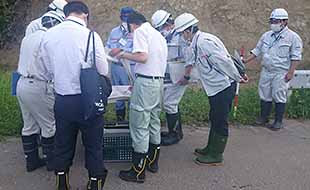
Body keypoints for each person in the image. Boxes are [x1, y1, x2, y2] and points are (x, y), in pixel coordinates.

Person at [40, 1, 109, 189]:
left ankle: (62, 183)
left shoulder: (48, 35)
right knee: (93, 145)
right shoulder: (91, 36)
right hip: (88, 101)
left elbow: (46, 69)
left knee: (62, 144)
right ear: (85, 15)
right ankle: (94, 183)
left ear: (65, 14)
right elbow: (103, 69)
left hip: (62, 100)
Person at [175, 13, 243, 165]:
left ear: (188, 31)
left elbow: (224, 62)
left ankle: (216, 155)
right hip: (215, 87)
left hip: (223, 86)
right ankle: (210, 148)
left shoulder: (204, 42)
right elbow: (191, 60)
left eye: (181, 33)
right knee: (214, 116)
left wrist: (238, 76)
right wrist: (186, 77)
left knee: (220, 120)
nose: (181, 36)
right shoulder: (196, 42)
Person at [115, 11, 168, 183]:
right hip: (157, 82)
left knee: (139, 125)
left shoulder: (140, 31)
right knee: (153, 121)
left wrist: (122, 54)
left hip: (146, 83)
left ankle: (138, 171)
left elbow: (142, 57)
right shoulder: (158, 35)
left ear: (132, 24)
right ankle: (153, 163)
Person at [16, 11, 64, 172]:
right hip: (39, 85)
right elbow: (53, 66)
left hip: (22, 83)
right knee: (49, 125)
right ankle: (52, 162)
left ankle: (32, 161)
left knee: (29, 125)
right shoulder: (48, 40)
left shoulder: (28, 38)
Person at [243, 8, 303, 131]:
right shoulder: (266, 36)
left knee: (279, 95)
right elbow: (257, 50)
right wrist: (245, 60)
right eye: (272, 21)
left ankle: (278, 121)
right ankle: (263, 118)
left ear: (284, 22)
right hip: (266, 70)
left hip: (281, 72)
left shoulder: (293, 38)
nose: (273, 24)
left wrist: (291, 72)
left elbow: (295, 57)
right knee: (264, 94)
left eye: (276, 21)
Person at [151, 10, 190, 146]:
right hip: (170, 74)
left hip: (180, 74)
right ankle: (174, 132)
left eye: (162, 27)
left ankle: (175, 134)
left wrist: (187, 75)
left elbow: (189, 56)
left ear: (167, 24)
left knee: (170, 103)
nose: (161, 30)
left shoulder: (180, 36)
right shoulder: (167, 36)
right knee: (170, 103)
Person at [106, 7, 136, 122]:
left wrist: (120, 49)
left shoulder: (136, 32)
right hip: (116, 66)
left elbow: (136, 50)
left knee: (131, 93)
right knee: (118, 94)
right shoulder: (114, 31)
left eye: (128, 17)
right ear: (120, 17)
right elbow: (108, 46)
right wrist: (110, 51)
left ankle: (132, 121)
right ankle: (120, 120)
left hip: (130, 67)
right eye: (124, 17)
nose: (126, 20)